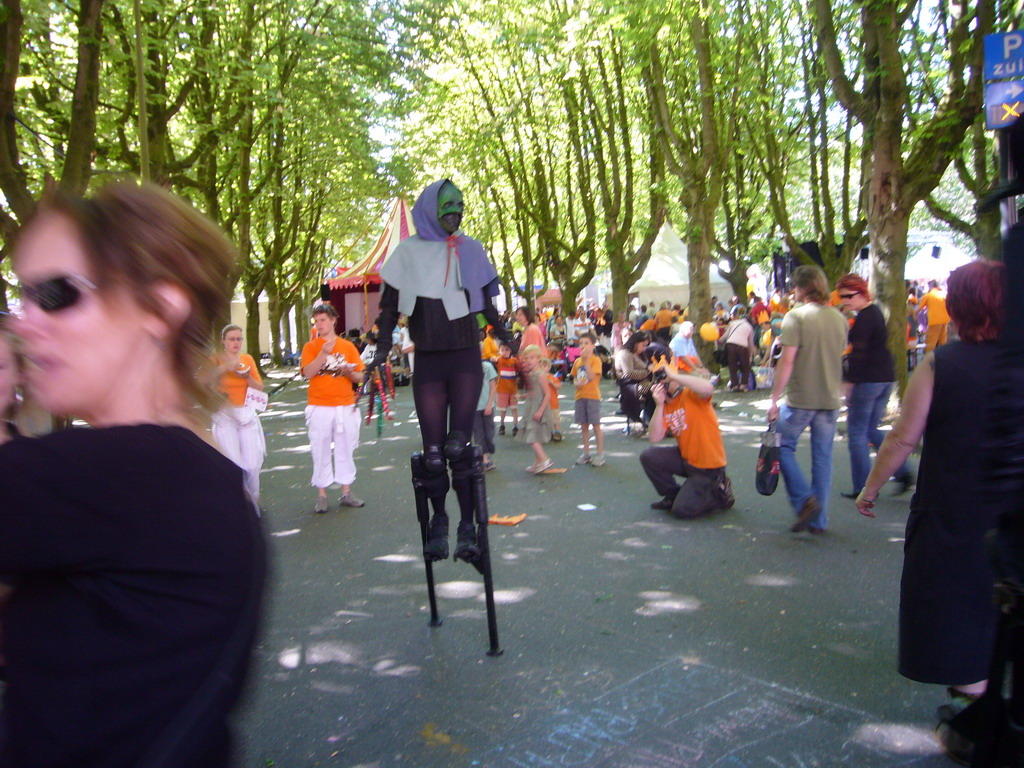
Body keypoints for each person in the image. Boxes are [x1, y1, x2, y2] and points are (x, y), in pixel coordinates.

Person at [0, 181, 266, 766]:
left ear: (159, 309)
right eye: (22, 296)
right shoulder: (187, 476)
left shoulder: (133, 475)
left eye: (54, 292)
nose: (24, 321)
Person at [855, 261, 1003, 744]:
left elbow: (901, 440)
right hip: (1011, 510)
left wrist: (871, 487)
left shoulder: (943, 364)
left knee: (957, 614)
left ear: (956, 309)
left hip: (954, 511)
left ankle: (971, 720)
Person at [372, 179, 507, 561]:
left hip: (465, 357)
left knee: (458, 447)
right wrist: (382, 350)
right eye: (449, 206)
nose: (456, 213)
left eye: (460, 207)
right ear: (431, 209)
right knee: (433, 454)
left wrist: (505, 332)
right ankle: (440, 522)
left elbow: (486, 304)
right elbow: (389, 308)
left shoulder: (471, 249)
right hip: (429, 359)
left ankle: (468, 528)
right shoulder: (407, 253)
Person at [767, 265, 848, 533]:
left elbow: (787, 361)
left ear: (800, 289)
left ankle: (804, 500)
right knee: (822, 459)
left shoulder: (795, 317)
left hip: (802, 397)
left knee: (779, 445)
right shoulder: (839, 319)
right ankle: (819, 521)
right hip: (829, 398)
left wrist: (774, 398)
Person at [834, 274, 913, 500]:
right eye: (842, 297)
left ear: (861, 293)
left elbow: (858, 355)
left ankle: (863, 486)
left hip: (868, 381)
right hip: (884, 379)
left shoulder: (865, 318)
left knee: (857, 433)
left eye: (848, 296)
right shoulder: (875, 313)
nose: (844, 301)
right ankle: (903, 471)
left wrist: (848, 384)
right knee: (871, 430)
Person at [640, 364, 735, 518]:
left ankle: (720, 493)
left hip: (709, 467)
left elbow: (708, 388)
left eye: (667, 379)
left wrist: (674, 376)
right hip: (687, 461)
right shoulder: (666, 406)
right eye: (660, 380)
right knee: (649, 456)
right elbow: (654, 437)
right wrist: (659, 405)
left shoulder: (691, 394)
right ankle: (673, 496)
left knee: (682, 510)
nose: (664, 382)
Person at [301, 303, 366, 513]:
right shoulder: (310, 347)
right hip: (319, 405)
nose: (319, 324)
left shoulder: (348, 347)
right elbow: (308, 373)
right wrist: (322, 354)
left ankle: (346, 492)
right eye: (316, 321)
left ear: (333, 321)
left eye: (322, 320)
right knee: (319, 449)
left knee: (345, 448)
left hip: (345, 404)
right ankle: (322, 495)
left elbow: (360, 376)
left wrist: (346, 371)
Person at [211, 324, 267, 504]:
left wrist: (246, 376)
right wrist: (226, 367)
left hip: (246, 413)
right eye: (232, 339)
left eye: (239, 339)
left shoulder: (247, 359)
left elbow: (259, 387)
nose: (236, 343)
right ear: (223, 341)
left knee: (252, 464)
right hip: (225, 415)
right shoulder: (215, 360)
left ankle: (253, 499)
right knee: (233, 463)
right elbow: (205, 382)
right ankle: (239, 503)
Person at [516, 345, 554, 472]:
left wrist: (540, 410)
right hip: (531, 406)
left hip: (538, 408)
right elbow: (534, 392)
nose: (529, 360)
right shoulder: (531, 374)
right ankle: (536, 463)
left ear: (538, 358)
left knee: (532, 436)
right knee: (534, 435)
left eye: (532, 357)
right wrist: (523, 396)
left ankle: (544, 459)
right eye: (526, 358)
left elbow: (547, 394)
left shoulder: (540, 375)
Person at [571, 332, 605, 467]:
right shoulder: (577, 362)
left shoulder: (595, 360)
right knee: (583, 426)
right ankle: (586, 453)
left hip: (593, 396)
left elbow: (591, 377)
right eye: (581, 343)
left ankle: (600, 454)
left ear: (592, 345)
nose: (583, 346)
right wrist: (575, 383)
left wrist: (586, 361)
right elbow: (574, 377)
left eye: (586, 343)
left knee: (596, 426)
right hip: (580, 396)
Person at [615, 330, 655, 427]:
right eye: (643, 345)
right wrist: (647, 371)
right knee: (657, 390)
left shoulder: (636, 354)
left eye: (646, 345)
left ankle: (655, 419)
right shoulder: (625, 354)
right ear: (636, 343)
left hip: (642, 383)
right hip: (632, 387)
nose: (644, 348)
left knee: (662, 388)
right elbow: (628, 373)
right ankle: (653, 420)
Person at [473, 355, 498, 471]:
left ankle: (487, 452)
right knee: (478, 433)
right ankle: (484, 458)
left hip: (487, 405)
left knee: (489, 431)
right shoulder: (465, 368)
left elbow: (493, 387)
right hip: (474, 408)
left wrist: (489, 404)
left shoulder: (487, 367)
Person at [723, 305, 756, 392]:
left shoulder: (732, 324)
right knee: (745, 367)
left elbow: (724, 337)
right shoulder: (749, 327)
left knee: (732, 366)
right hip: (742, 347)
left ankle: (734, 385)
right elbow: (750, 344)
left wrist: (717, 338)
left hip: (730, 345)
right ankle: (743, 385)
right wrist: (750, 356)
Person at [495, 341, 520, 436]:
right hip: (502, 389)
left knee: (514, 408)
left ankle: (515, 426)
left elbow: (518, 370)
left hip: (513, 390)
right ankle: (502, 425)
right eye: (502, 350)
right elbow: (495, 359)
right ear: (499, 351)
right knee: (503, 409)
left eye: (507, 350)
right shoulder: (499, 360)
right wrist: (493, 358)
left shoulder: (514, 361)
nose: (504, 352)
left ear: (510, 351)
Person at [919, 279, 950, 352]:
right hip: (945, 320)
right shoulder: (943, 294)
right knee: (943, 341)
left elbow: (919, 307)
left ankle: (929, 360)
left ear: (931, 286)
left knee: (930, 342)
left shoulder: (929, 295)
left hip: (934, 320)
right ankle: (943, 359)